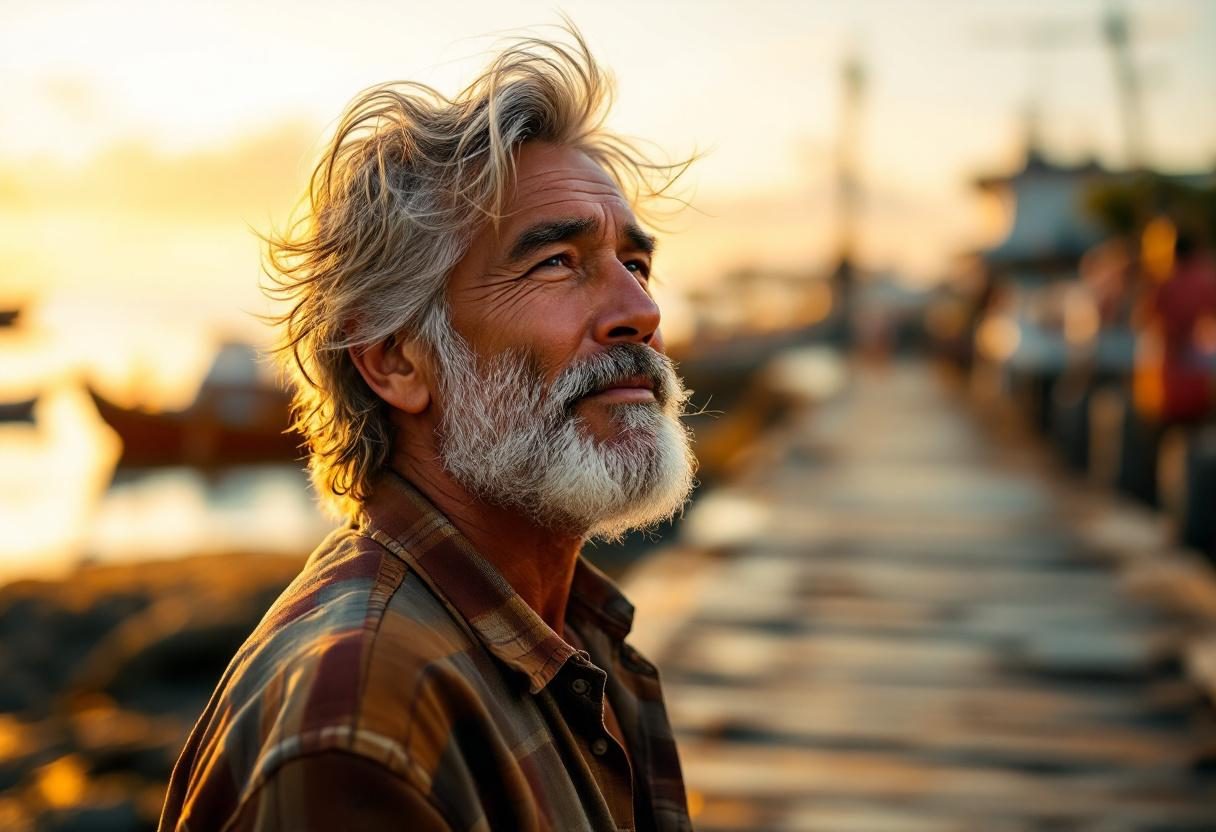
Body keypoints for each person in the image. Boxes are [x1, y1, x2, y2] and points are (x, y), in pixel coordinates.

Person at [158, 26, 698, 832]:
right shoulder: (359, 730)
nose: (642, 313)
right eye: (557, 262)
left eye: (637, 265)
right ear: (395, 359)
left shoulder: (565, 641)